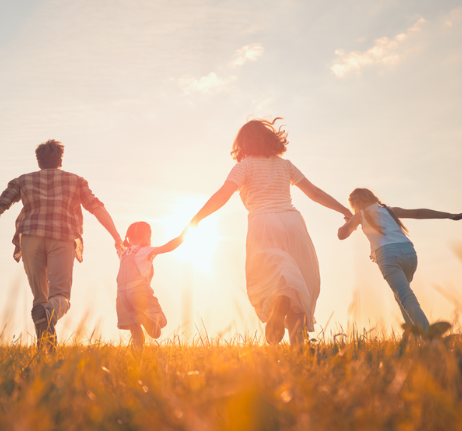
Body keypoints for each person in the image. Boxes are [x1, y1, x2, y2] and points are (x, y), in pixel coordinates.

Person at [188, 118, 352, 345]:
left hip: (262, 223)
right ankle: (299, 347)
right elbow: (314, 193)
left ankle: (279, 303)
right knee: (300, 283)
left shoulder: (243, 166)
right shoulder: (285, 165)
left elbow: (222, 195)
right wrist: (346, 211)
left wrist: (196, 219)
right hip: (294, 223)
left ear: (242, 144)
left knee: (272, 277)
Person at [0, 139, 123, 348]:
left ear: (38, 162)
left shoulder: (22, 180)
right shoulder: (76, 181)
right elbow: (97, 208)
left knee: (40, 297)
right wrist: (116, 237)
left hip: (30, 238)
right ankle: (48, 319)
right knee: (60, 296)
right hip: (62, 236)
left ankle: (46, 348)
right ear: (60, 161)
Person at [338, 188, 462, 333]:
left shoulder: (359, 215)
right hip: (409, 253)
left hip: (387, 255)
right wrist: (449, 215)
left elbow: (341, 235)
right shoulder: (390, 210)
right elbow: (418, 213)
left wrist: (348, 221)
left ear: (355, 204)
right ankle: (413, 339)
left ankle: (431, 340)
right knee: (401, 296)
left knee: (405, 297)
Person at [117, 221, 185, 350]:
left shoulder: (123, 253)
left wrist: (118, 241)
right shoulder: (144, 251)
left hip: (121, 296)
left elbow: (118, 248)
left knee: (134, 327)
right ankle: (145, 317)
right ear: (145, 237)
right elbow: (168, 247)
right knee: (161, 321)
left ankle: (137, 355)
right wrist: (183, 236)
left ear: (129, 238)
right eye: (149, 237)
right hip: (139, 291)